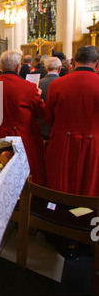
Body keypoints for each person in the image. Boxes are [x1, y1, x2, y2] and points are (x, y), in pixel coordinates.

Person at [0, 50, 46, 185]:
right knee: (24, 175)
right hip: (23, 137)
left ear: (1, 66)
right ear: (18, 66)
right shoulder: (29, 87)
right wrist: (38, 96)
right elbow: (41, 113)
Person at [45, 45, 99, 196]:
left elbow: (48, 118)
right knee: (90, 188)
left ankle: (56, 215)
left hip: (62, 143)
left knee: (60, 188)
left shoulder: (56, 84)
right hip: (94, 145)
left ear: (73, 62)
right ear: (97, 63)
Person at [38, 56, 62, 140]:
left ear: (45, 68)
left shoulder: (38, 82)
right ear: (59, 68)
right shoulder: (63, 83)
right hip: (58, 125)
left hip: (41, 124)